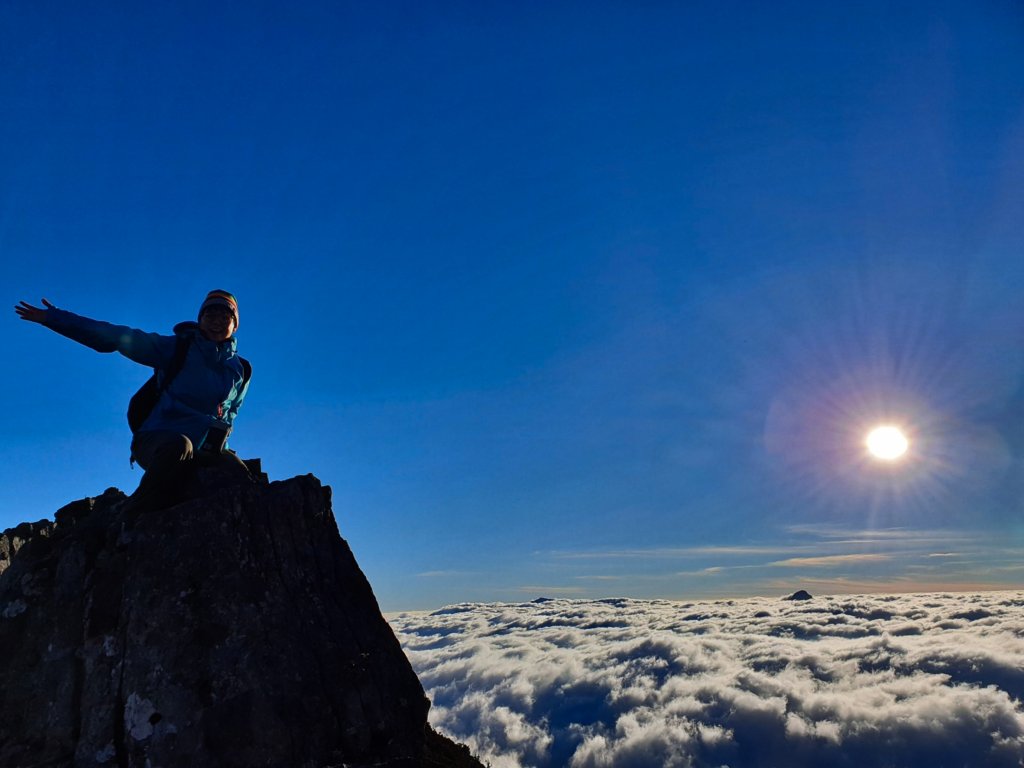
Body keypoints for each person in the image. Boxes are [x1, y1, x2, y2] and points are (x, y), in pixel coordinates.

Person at [14, 290, 251, 509]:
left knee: (243, 478)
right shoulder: (177, 348)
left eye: (225, 316)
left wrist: (220, 441)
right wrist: (55, 318)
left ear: (235, 324)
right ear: (200, 319)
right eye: (210, 315)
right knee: (179, 447)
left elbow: (230, 412)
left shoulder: (240, 370)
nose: (217, 321)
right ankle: (131, 514)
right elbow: (117, 336)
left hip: (205, 449)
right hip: (158, 441)